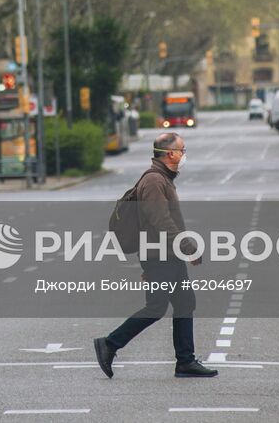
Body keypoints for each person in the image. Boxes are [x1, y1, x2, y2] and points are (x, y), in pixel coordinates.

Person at [93, 132, 218, 380]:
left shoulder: (162, 178)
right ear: (169, 153)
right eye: (181, 150)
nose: (184, 155)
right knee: (157, 306)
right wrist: (188, 247)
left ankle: (185, 361)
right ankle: (110, 343)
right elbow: (160, 221)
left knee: (183, 303)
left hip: (164, 255)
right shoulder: (153, 181)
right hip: (160, 254)